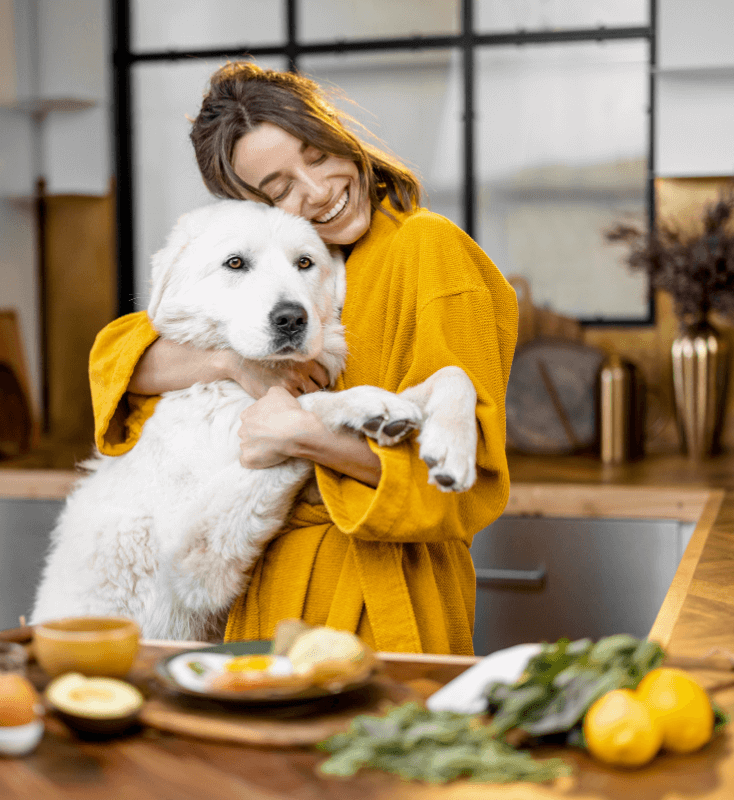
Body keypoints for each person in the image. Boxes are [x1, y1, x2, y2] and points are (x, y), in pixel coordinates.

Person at [88, 62, 517, 655]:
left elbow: (461, 487)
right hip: (263, 597)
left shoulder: (430, 250)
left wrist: (302, 439)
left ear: (339, 133)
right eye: (279, 188)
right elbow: (122, 356)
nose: (315, 193)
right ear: (253, 208)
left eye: (316, 156)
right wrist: (233, 365)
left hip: (380, 602)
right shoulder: (294, 269)